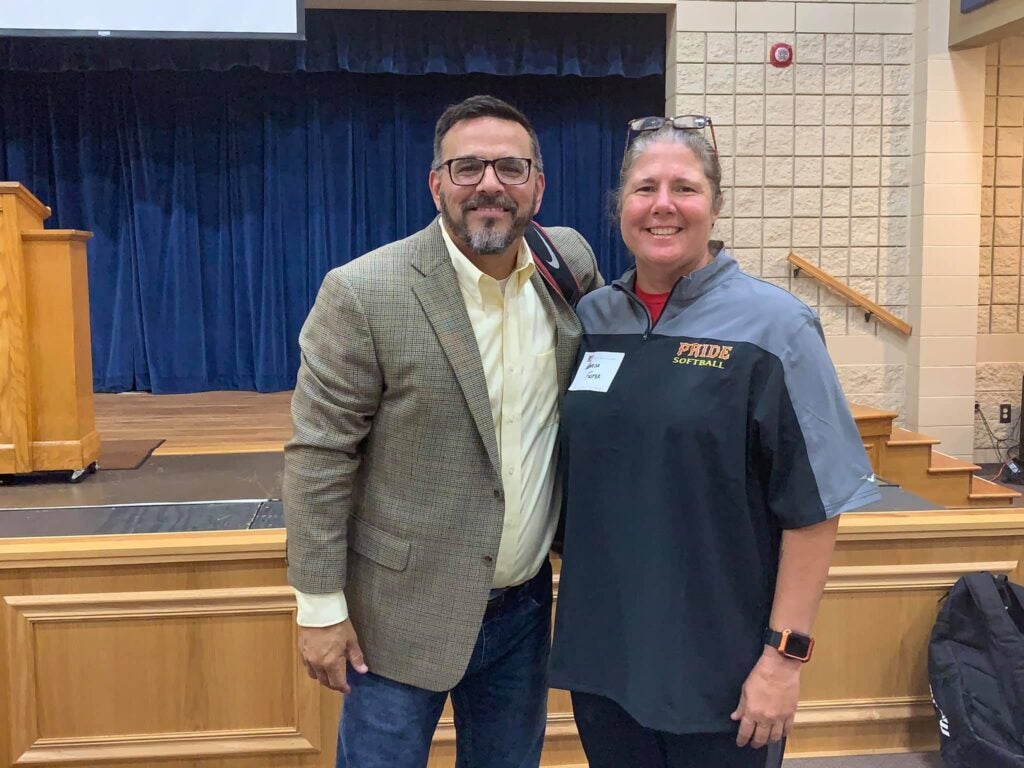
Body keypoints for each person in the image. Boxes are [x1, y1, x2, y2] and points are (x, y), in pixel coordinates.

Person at [547, 116, 881, 768]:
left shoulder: (776, 327)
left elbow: (814, 509)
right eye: (645, 188)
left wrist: (783, 660)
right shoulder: (591, 319)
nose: (664, 204)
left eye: (685, 187)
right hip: (606, 663)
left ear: (715, 205)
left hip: (722, 672)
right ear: (619, 206)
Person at [283, 94, 603, 768]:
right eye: (467, 168)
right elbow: (320, 457)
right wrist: (318, 606)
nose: (490, 184)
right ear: (436, 184)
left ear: (538, 186)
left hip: (522, 612)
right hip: (397, 616)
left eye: (511, 168)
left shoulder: (567, 266)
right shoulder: (364, 291)